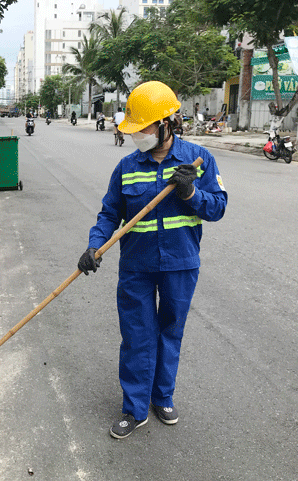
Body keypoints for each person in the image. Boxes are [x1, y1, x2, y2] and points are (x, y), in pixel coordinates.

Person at [77, 81, 228, 439]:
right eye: (134, 129)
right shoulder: (126, 167)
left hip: (181, 264)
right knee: (136, 336)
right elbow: (109, 213)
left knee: (169, 333)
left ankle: (162, 397)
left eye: (143, 127)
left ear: (166, 124)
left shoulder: (199, 160)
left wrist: (191, 192)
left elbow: (218, 207)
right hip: (136, 267)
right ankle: (134, 408)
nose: (137, 136)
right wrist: (94, 247)